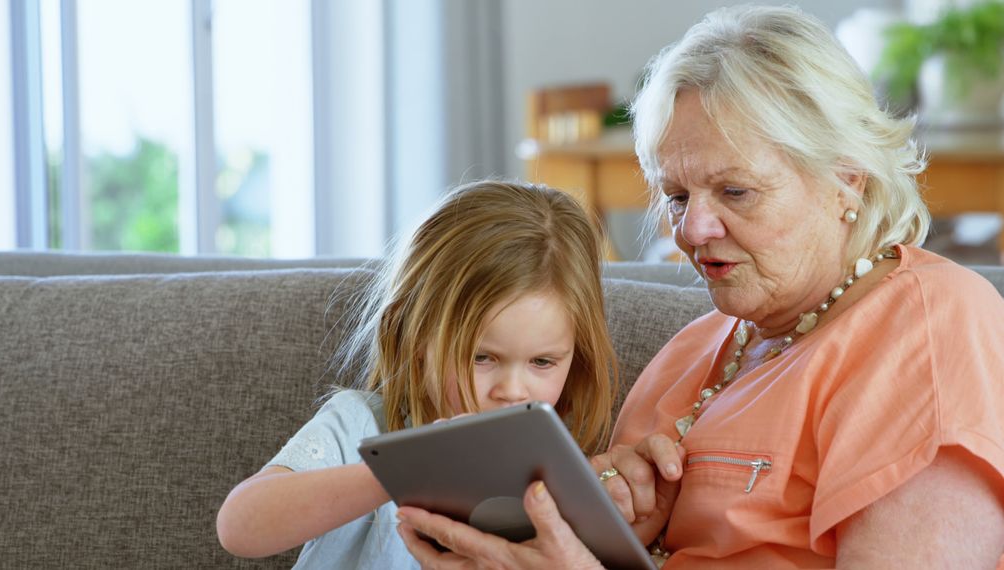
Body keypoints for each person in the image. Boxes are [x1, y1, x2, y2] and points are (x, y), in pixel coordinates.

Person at [396, 5, 1004, 568]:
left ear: (847, 181)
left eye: (735, 191)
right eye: (677, 196)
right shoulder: (691, 353)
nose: (692, 229)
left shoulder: (930, 324)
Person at [215, 180, 618, 568]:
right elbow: (239, 526)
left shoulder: (552, 473)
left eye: (542, 363)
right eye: (481, 357)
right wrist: (402, 470)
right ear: (415, 336)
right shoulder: (362, 423)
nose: (512, 391)